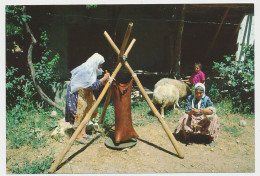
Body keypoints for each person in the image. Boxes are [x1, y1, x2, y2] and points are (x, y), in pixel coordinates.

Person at [65, 53, 110, 144]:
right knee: (78, 115)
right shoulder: (86, 69)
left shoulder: (91, 68)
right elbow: (93, 85)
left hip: (85, 94)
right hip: (78, 94)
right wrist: (104, 79)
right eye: (100, 63)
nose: (101, 66)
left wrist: (103, 82)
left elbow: (93, 83)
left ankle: (83, 133)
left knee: (86, 113)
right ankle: (77, 136)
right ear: (95, 62)